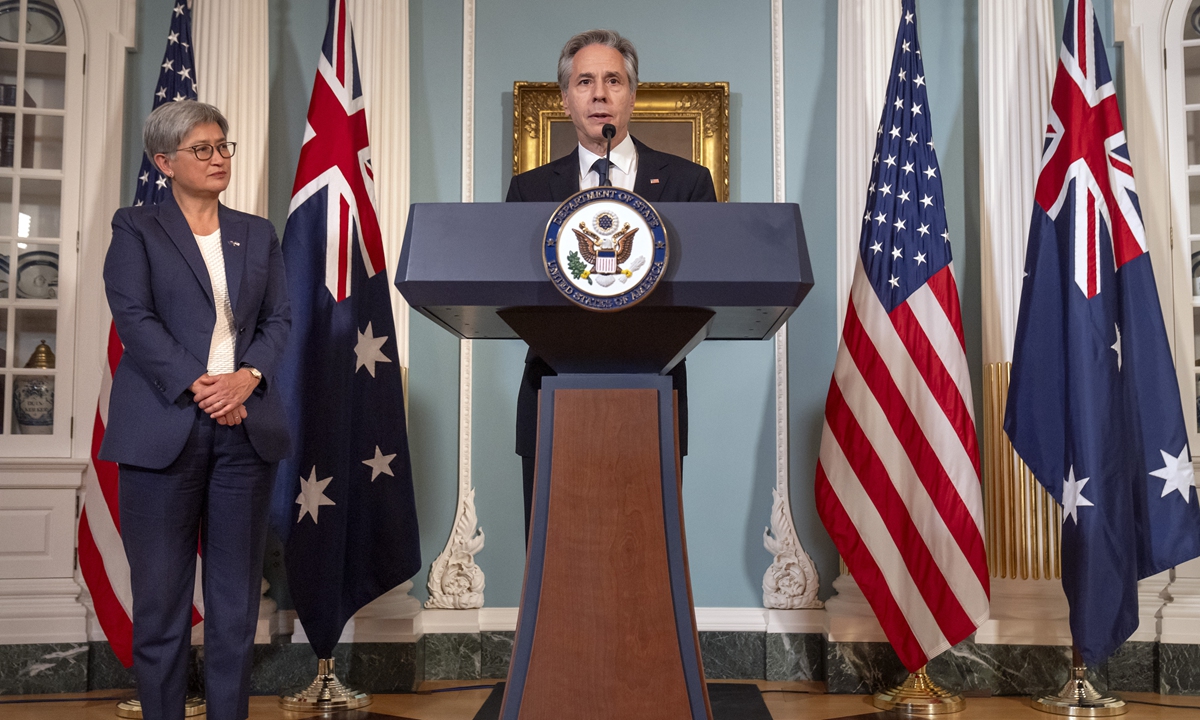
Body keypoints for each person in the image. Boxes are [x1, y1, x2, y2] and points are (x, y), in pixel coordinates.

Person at [100, 101, 290, 720]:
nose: (217, 159)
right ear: (165, 162)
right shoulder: (136, 227)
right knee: (161, 605)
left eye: (223, 147)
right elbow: (135, 318)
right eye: (202, 149)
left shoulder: (257, 232)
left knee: (235, 607)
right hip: (163, 431)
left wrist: (246, 378)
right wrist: (203, 386)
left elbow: (280, 319)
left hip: (245, 433)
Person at [506, 29, 717, 535]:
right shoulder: (531, 190)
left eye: (613, 81)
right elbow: (511, 291)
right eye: (584, 81)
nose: (599, 94)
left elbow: (707, 288)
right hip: (552, 391)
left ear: (632, 94)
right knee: (553, 553)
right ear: (565, 98)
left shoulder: (688, 183)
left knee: (643, 549)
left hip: (653, 394)